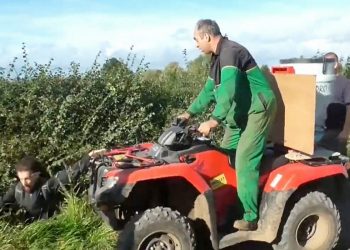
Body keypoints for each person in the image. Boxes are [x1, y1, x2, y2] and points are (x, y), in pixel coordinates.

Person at [178, 19, 276, 231]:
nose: (195, 45)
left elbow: (228, 91)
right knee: (223, 156)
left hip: (259, 108)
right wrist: (188, 113)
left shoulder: (230, 52)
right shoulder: (217, 60)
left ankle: (250, 216)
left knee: (244, 158)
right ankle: (232, 203)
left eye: (196, 39)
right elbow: (208, 92)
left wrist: (214, 120)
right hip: (241, 112)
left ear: (207, 36)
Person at [0, 149, 106, 222]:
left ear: (37, 175)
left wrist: (89, 157)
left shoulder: (47, 186)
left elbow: (70, 174)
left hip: (53, 230)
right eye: (21, 179)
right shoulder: (17, 189)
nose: (24, 182)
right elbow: (3, 204)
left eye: (27, 178)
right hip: (28, 233)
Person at [318, 52, 350, 155]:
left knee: (337, 161)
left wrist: (345, 131)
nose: (329, 64)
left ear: (337, 63)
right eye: (326, 62)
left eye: (332, 61)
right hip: (319, 130)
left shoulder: (345, 82)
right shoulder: (319, 81)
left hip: (336, 131)